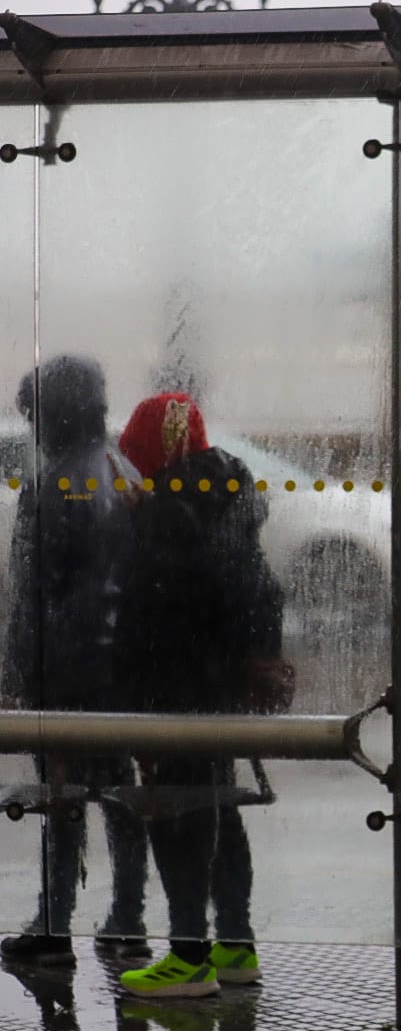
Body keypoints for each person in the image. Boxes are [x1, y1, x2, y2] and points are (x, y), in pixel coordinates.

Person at [110, 392, 287, 998]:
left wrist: (141, 518)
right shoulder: (228, 494)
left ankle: (187, 956)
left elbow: (150, 612)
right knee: (218, 808)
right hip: (216, 683)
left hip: (173, 684)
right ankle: (235, 947)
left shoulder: (169, 510)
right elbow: (255, 586)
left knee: (176, 815)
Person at [0, 355, 149, 968]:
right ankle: (127, 917)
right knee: (119, 793)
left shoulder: (55, 481)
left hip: (64, 669)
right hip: (119, 667)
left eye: (34, 413)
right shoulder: (124, 469)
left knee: (60, 798)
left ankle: (55, 923)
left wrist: (17, 673)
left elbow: (34, 593)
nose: (32, 425)